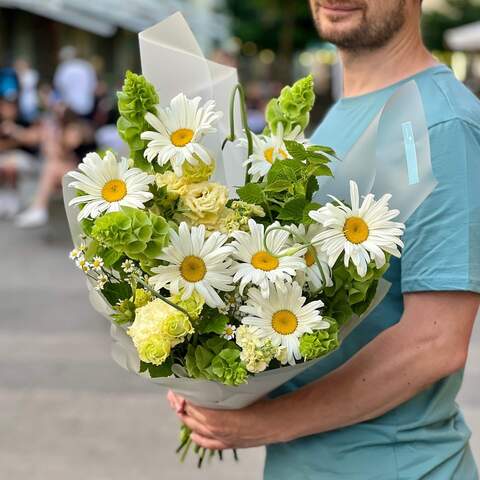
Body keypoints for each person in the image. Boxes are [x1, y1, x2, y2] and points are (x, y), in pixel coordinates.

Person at [167, 1, 480, 478]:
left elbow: (434, 342)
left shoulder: (441, 124)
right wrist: (209, 366)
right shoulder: (341, 116)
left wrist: (260, 424)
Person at [15, 108, 96, 228]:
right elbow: (29, 137)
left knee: (52, 166)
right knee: (51, 166)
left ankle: (39, 207)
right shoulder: (54, 129)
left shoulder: (74, 129)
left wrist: (52, 141)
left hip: (80, 171)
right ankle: (37, 208)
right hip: (63, 170)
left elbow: (66, 152)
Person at [53, 46, 97, 118]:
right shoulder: (86, 66)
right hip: (87, 105)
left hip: (70, 106)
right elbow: (93, 86)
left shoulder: (63, 67)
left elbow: (58, 86)